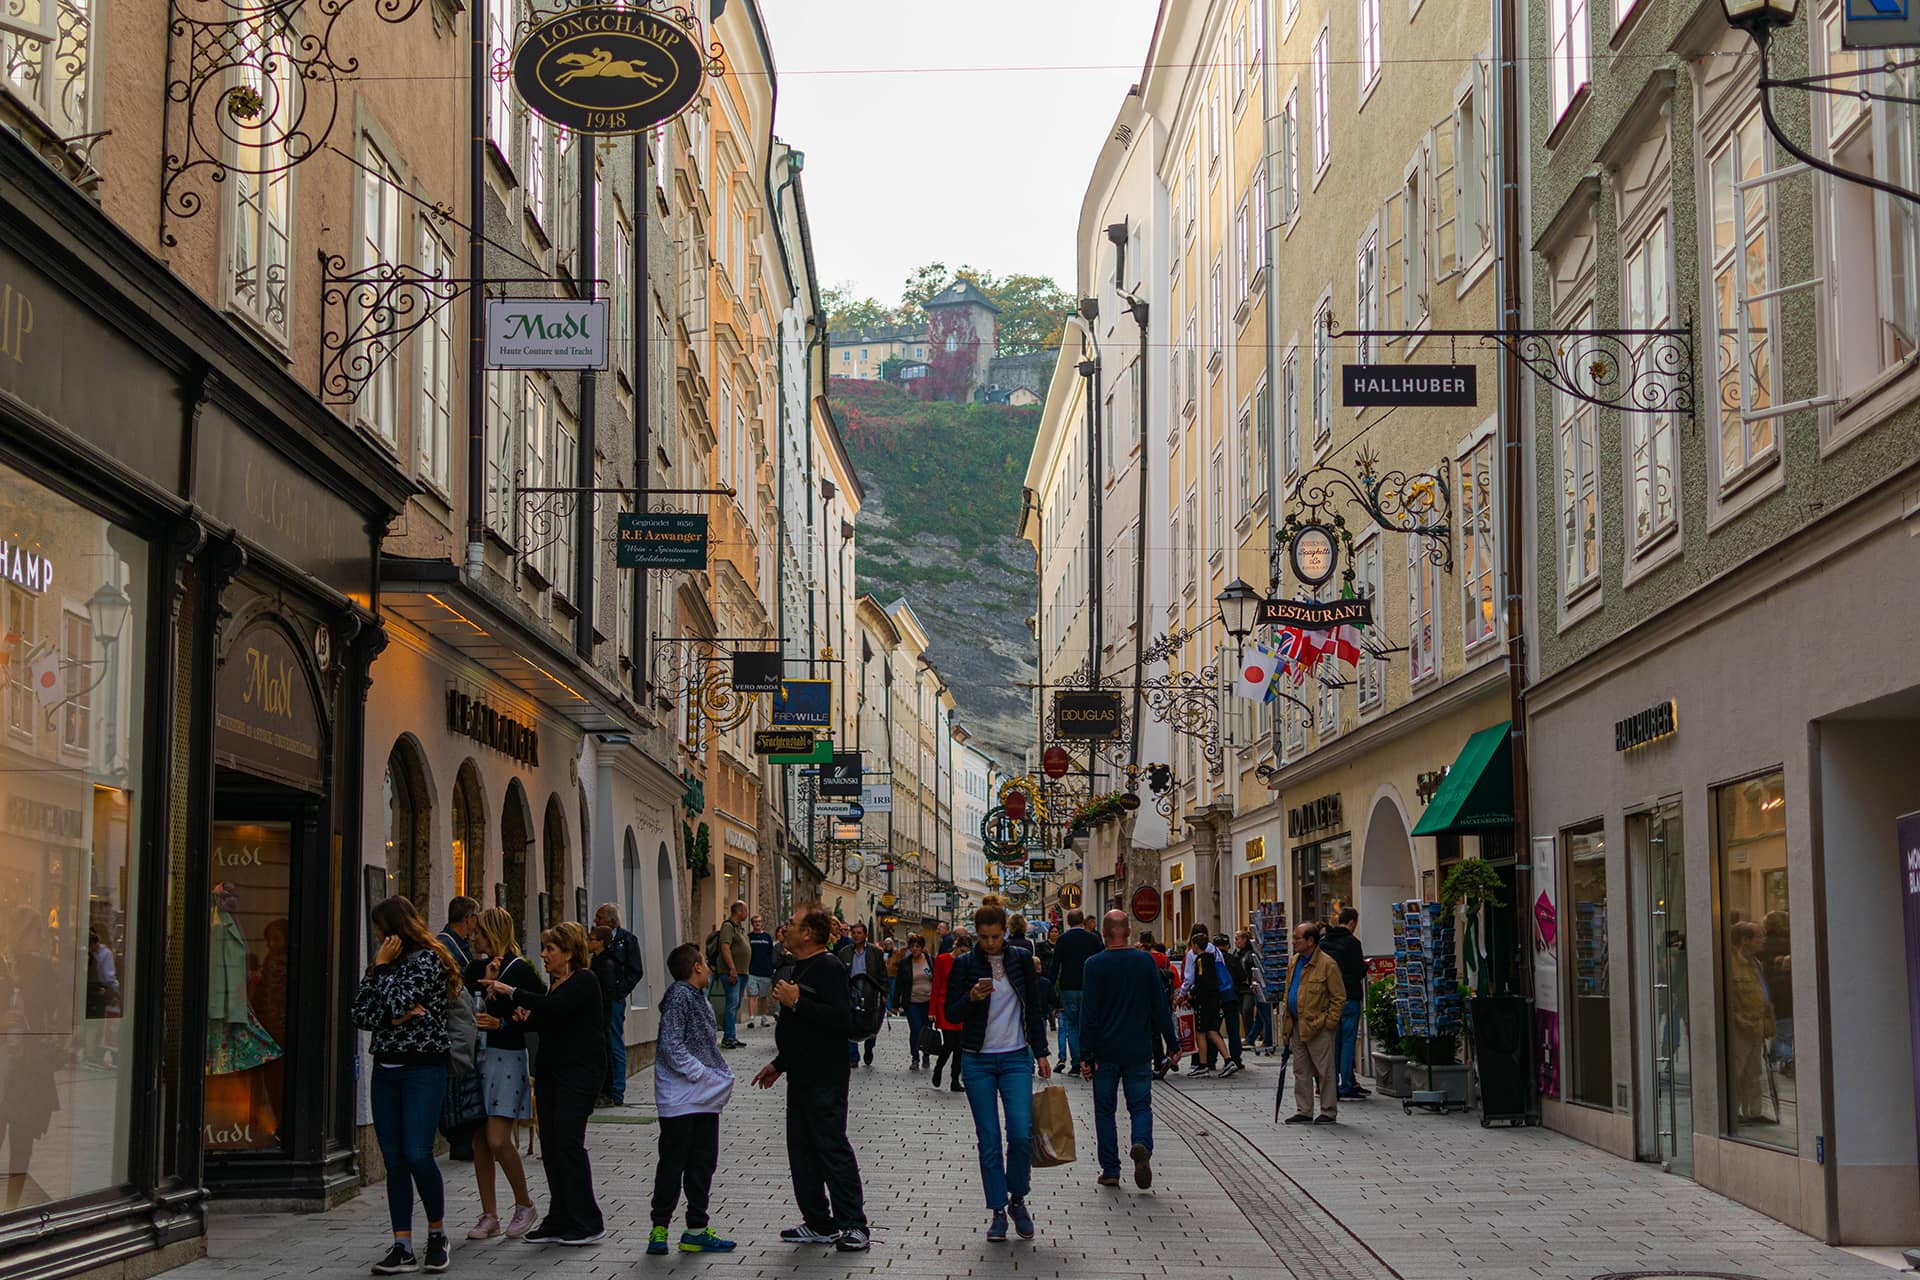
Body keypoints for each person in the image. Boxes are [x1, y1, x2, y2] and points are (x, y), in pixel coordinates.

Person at [352, 895, 464, 1275]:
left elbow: (399, 1002)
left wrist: (386, 986)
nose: (378, 936)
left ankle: (437, 1234)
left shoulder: (427, 961)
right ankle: (402, 1244)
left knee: (418, 1153)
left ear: (393, 930)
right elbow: (361, 1013)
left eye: (380, 929)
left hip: (421, 1071)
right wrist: (393, 1011)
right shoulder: (385, 965)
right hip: (385, 1070)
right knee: (395, 1160)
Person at [751, 903, 869, 1252]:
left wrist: (797, 1002)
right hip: (800, 1075)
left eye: (791, 923)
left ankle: (854, 1225)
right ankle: (819, 1222)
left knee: (831, 1149)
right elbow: (800, 1030)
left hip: (825, 1077)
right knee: (801, 1152)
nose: (785, 927)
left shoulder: (828, 967)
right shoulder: (798, 965)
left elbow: (841, 1021)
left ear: (808, 933)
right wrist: (780, 1063)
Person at [481, 922, 607, 1244]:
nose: (544, 955)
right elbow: (546, 1017)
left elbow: (557, 1009)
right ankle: (559, 1217)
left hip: (578, 1076)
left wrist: (513, 991)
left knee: (568, 1143)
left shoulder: (584, 981)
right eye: (545, 948)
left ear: (569, 952)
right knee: (551, 1147)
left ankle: (588, 1221)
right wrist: (519, 1014)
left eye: (551, 949)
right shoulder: (556, 984)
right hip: (552, 1075)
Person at [945, 901, 1053, 1242]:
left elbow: (1033, 1008)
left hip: (1015, 1057)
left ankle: (1017, 1198)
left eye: (995, 936)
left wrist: (1042, 1053)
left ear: (1005, 933)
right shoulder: (965, 964)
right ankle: (996, 1211)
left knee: (1021, 1134)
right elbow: (952, 1013)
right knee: (989, 1139)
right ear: (976, 935)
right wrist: (972, 997)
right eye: (983, 937)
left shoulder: (1019, 959)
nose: (989, 943)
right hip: (978, 1060)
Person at [647, 943, 737, 1255]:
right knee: (674, 1163)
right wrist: (702, 1074)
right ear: (696, 967)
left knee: (702, 1163)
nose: (710, 967)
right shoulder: (679, 996)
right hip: (682, 1095)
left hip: (702, 1097)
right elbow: (671, 1045)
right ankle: (659, 1229)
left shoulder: (696, 996)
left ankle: (696, 1229)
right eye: (705, 962)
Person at [1080, 910, 1176, 1191]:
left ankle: (1110, 1169)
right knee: (1140, 1106)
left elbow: (1089, 1014)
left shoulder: (1093, 965)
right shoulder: (1144, 961)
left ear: (1103, 934)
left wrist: (1085, 1055)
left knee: (1105, 1111)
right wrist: (1172, 1044)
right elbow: (1159, 1005)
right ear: (1129, 932)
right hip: (1138, 1048)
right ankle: (1141, 1143)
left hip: (1105, 1050)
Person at [463, 907, 543, 1242]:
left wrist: (505, 1021)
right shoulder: (478, 967)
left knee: (498, 1137)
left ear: (492, 932)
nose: (473, 937)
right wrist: (488, 974)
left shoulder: (520, 969)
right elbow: (466, 985)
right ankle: (489, 1213)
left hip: (507, 1057)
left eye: (479, 932)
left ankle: (524, 1203)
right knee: (480, 1140)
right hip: (478, 1056)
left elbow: (541, 1005)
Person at [1279, 921, 1347, 1125]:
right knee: (1300, 1070)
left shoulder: (1327, 964)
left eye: (1297, 938)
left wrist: (1330, 1023)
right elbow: (1289, 989)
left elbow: (1339, 997)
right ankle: (1304, 1110)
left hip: (1319, 1026)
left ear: (1310, 941)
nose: (1293, 942)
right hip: (1297, 1024)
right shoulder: (1294, 962)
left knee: (1324, 1070)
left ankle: (1328, 1110)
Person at [435, 896, 482, 1160]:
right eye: (476, 917)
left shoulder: (460, 944)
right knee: (456, 1086)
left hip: (462, 1026)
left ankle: (463, 1139)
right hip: (453, 1027)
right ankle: (458, 1138)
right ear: (468, 918)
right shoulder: (446, 946)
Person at [592, 903, 645, 1104]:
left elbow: (636, 971)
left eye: (599, 917)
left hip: (613, 1000)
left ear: (611, 921)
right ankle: (604, 1087)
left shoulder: (627, 940)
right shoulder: (598, 940)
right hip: (599, 999)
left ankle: (617, 1091)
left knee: (614, 1041)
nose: (595, 921)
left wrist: (619, 991)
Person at [1728, 921, 1777, 1123]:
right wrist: (1739, 1020)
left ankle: (1753, 1112)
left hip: (1757, 1024)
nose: (1763, 941)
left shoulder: (1756, 962)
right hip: (1741, 1026)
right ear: (1745, 940)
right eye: (1759, 937)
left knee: (1754, 1071)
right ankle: (1733, 1112)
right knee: (1737, 1071)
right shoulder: (1731, 964)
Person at [1320, 907, 1368, 1099]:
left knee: (1333, 1042)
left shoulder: (1324, 941)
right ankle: (1346, 1084)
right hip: (1349, 996)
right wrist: (1364, 966)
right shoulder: (1352, 942)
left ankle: (1331, 1083)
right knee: (1348, 1041)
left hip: (1329, 998)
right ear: (1351, 922)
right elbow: (1358, 970)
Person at [1049, 909, 1102, 1077]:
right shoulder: (1093, 938)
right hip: (1089, 986)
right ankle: (1090, 1059)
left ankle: (1077, 1062)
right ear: (1083, 921)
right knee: (1089, 1023)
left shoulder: (1062, 940)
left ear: (1068, 921)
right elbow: (1102, 960)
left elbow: (1055, 965)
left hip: (1069, 987)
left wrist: (1049, 987)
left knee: (1071, 1025)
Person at [1178, 927, 1235, 1077]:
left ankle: (1203, 1065)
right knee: (1212, 1032)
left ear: (1196, 946)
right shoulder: (1215, 954)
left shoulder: (1200, 961)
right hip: (1217, 999)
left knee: (1201, 1032)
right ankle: (1229, 1060)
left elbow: (1200, 982)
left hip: (1205, 1001)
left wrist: (1189, 995)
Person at [928, 930, 971, 1090]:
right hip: (944, 1005)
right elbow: (936, 984)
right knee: (949, 1043)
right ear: (956, 947)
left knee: (959, 1045)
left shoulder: (968, 962)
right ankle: (938, 1069)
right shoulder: (942, 960)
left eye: (966, 953)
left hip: (961, 1006)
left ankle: (954, 1079)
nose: (963, 955)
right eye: (962, 951)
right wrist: (932, 1010)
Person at [839, 922, 885, 1067]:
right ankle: (853, 1055)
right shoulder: (844, 952)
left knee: (871, 1020)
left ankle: (869, 1047)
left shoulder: (875, 952)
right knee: (851, 1021)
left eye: (859, 933)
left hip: (870, 989)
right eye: (854, 933)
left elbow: (882, 974)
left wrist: (884, 992)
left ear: (865, 935)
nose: (856, 936)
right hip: (851, 990)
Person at [894, 934, 935, 1070]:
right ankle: (915, 1057)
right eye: (912, 946)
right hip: (911, 1001)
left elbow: (937, 980)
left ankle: (926, 1054)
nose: (915, 949)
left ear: (922, 948)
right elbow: (899, 984)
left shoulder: (930, 961)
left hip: (928, 1001)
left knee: (927, 1029)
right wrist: (895, 1004)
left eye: (917, 946)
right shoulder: (905, 963)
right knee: (916, 1028)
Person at [715, 900, 753, 1049]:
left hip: (742, 972)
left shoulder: (740, 928)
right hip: (732, 972)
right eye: (745, 911)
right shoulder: (728, 927)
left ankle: (732, 1035)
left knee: (735, 1004)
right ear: (738, 912)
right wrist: (732, 969)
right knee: (732, 1004)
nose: (747, 914)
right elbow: (725, 948)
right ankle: (728, 1038)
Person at [1214, 932, 1246, 1071]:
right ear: (1228, 946)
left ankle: (1211, 1059)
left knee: (1213, 1030)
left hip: (1216, 1000)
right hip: (1231, 998)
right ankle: (1236, 1059)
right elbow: (1242, 976)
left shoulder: (1212, 960)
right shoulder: (1233, 959)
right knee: (1233, 1030)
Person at [746, 914, 776, 1030]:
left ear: (761, 923)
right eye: (755, 922)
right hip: (752, 971)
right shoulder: (749, 937)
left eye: (759, 922)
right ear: (752, 924)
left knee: (763, 996)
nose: (758, 924)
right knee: (752, 995)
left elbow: (771, 953)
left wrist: (772, 968)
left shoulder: (767, 937)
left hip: (765, 971)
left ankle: (763, 1017)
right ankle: (752, 1019)